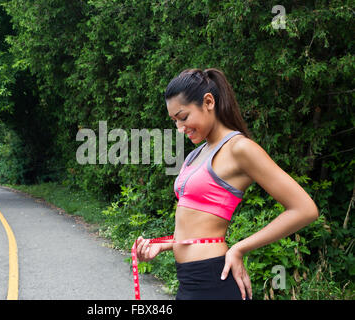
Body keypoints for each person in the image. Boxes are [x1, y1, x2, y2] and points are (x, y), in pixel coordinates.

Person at [135, 68, 319, 300]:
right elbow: (200, 226)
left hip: (213, 280)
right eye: (174, 121)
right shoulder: (197, 153)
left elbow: (305, 209)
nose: (180, 128)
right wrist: (164, 245)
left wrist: (240, 248)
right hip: (188, 280)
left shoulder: (240, 149)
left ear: (209, 102)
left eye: (183, 117)